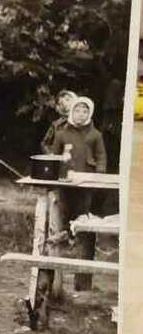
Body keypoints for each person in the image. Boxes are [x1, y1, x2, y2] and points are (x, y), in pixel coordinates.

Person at [51, 95, 107, 290]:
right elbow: (53, 156)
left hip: (86, 184)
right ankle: (56, 278)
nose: (81, 114)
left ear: (89, 113)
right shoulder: (61, 134)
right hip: (66, 184)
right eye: (77, 110)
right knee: (61, 220)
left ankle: (82, 283)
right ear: (71, 112)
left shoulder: (95, 135)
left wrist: (98, 175)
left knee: (85, 224)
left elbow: (101, 158)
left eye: (85, 111)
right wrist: (57, 168)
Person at [40, 90, 76, 154]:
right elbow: (45, 143)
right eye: (60, 103)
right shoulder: (56, 124)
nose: (65, 104)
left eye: (68, 100)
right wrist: (51, 155)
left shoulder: (84, 123)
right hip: (60, 160)